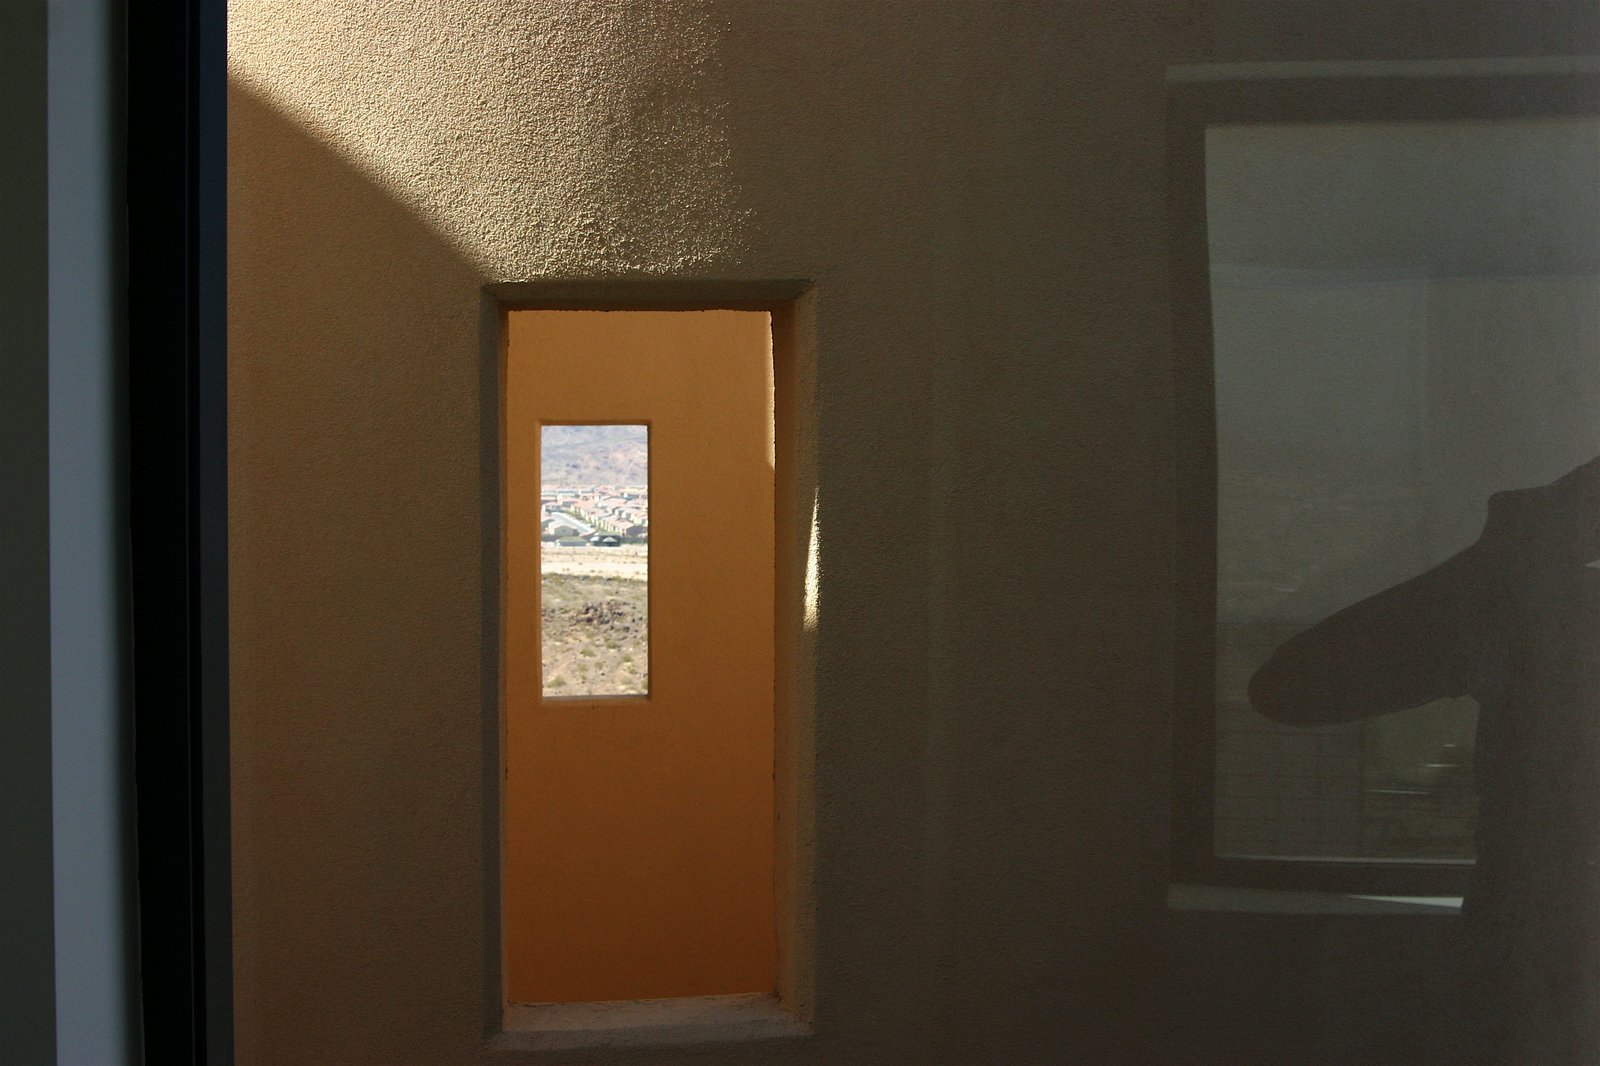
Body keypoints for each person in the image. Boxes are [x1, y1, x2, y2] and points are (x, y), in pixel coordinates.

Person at [1250, 457, 1600, 1065]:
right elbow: (1292, 687)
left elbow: (1292, 687)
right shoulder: (1549, 616)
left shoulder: (1545, 612)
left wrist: (1515, 554)